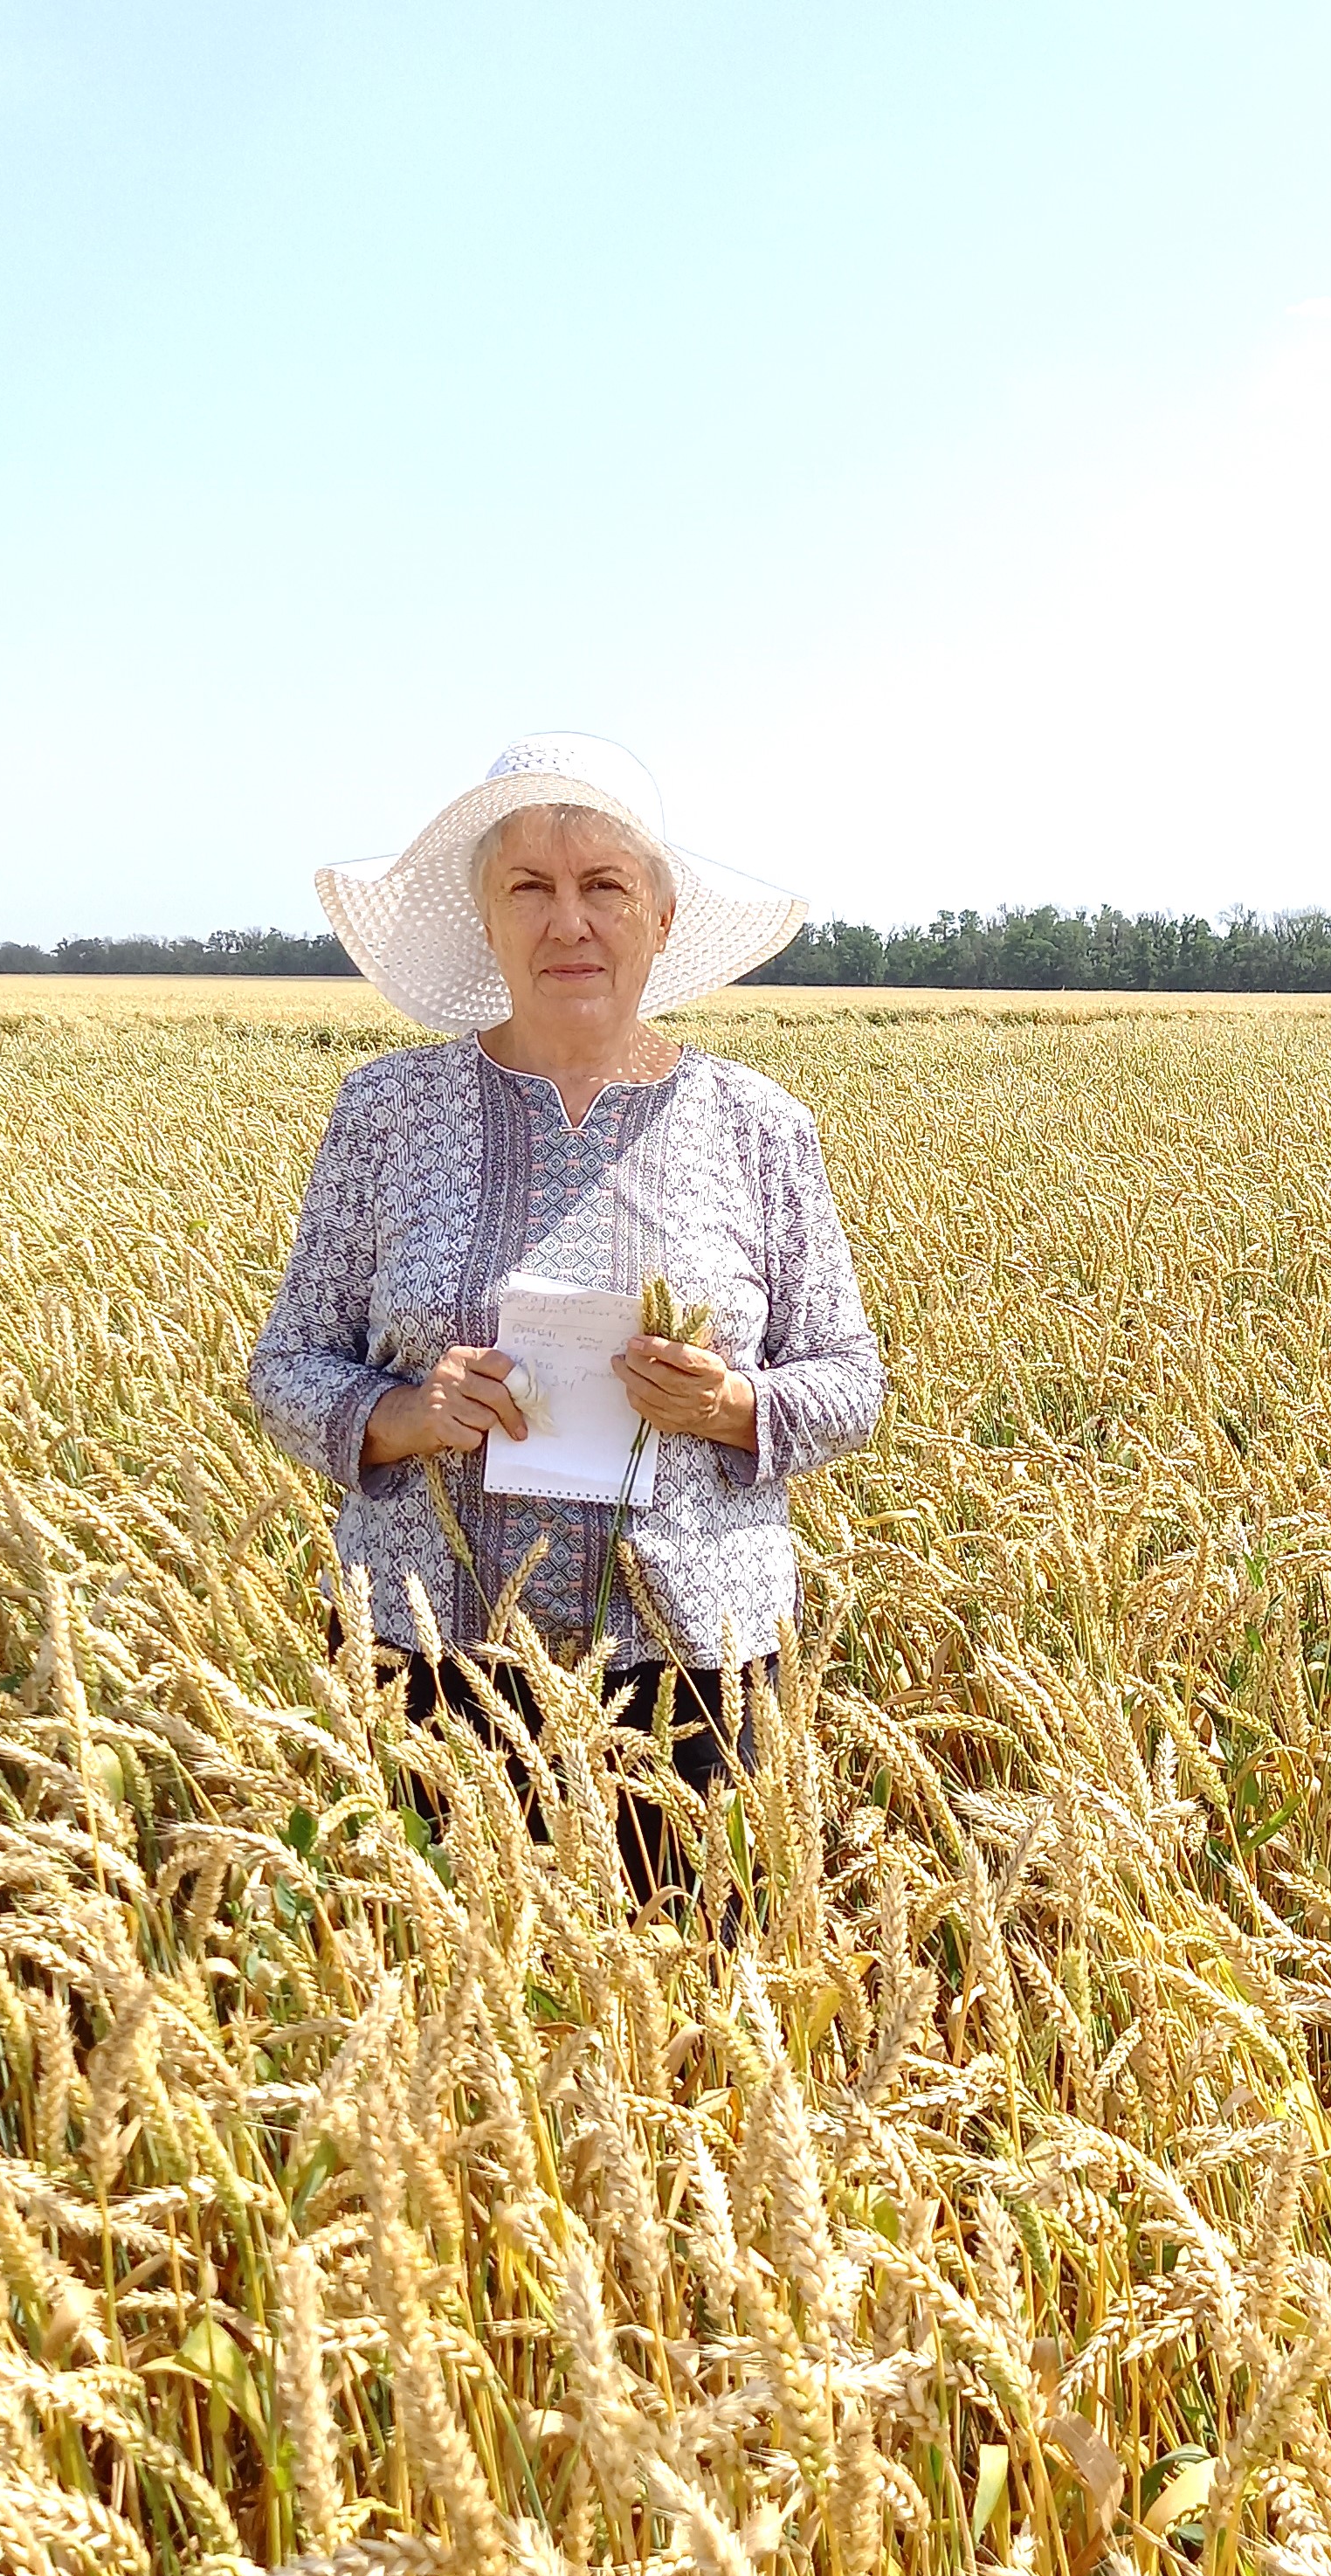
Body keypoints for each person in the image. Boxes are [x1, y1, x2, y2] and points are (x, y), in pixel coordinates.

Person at [247, 734, 884, 1900]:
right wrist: (406, 1412)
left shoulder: (760, 1127)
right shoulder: (386, 1112)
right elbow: (285, 1364)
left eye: (604, 887)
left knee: (690, 2009)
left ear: (661, 916)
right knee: (451, 2008)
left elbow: (850, 1379)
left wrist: (733, 1403)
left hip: (693, 1668)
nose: (569, 922)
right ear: (485, 920)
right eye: (529, 888)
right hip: (426, 1655)